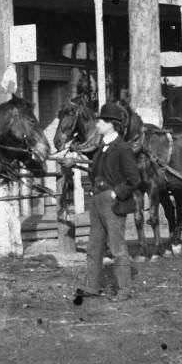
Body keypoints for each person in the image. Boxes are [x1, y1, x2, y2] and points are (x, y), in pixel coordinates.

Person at [76, 102, 141, 302]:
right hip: (97, 200)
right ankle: (92, 286)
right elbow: (97, 172)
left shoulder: (122, 148)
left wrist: (116, 193)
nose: (97, 124)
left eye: (101, 121)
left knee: (117, 247)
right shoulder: (101, 148)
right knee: (94, 246)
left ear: (112, 124)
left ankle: (124, 290)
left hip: (112, 203)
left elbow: (134, 179)